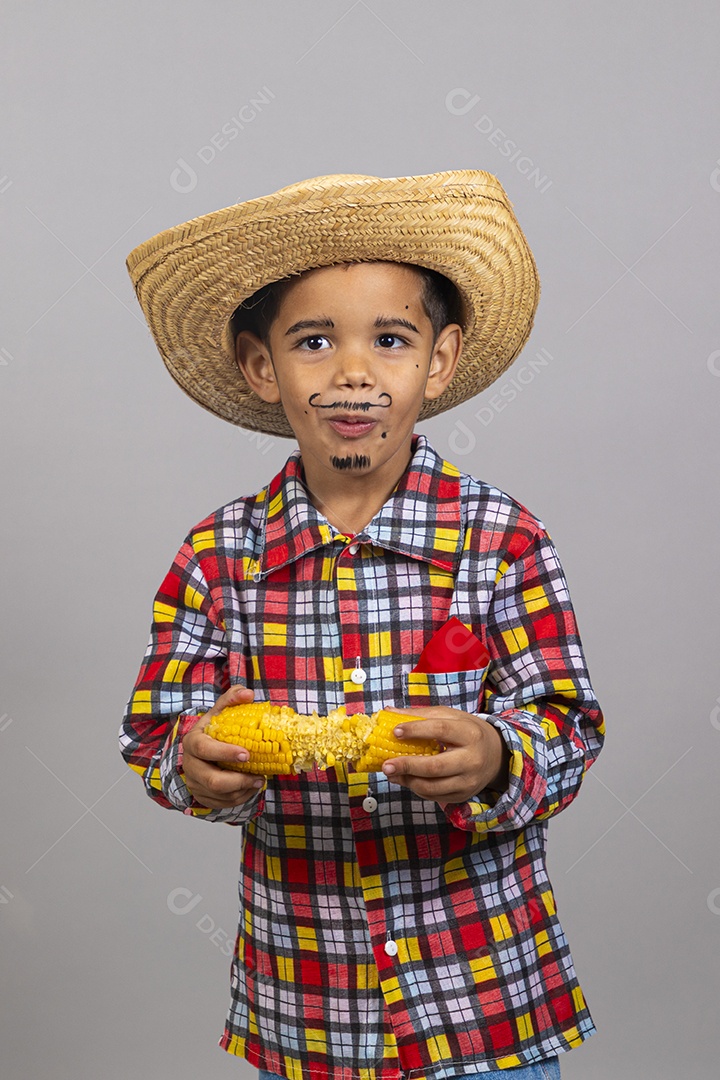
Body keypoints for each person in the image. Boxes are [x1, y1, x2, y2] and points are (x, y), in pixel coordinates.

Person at [120, 170, 605, 1080]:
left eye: (390, 339)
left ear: (441, 359)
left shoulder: (501, 539)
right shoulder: (217, 555)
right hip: (308, 1003)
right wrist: (196, 763)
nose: (352, 372)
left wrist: (499, 757)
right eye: (313, 341)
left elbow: (569, 724)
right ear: (262, 367)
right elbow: (154, 736)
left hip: (484, 995)